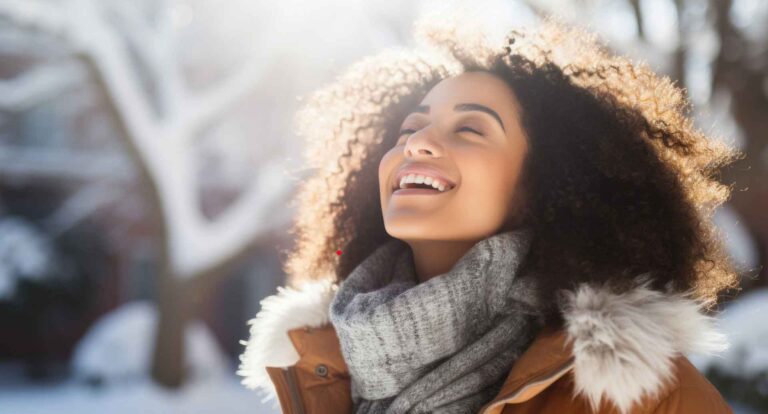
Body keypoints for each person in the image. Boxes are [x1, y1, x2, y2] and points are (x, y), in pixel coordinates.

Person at [237, 13, 740, 414]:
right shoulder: (320, 366)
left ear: (542, 187)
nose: (419, 144)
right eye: (409, 129)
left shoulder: (640, 394)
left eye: (470, 130)